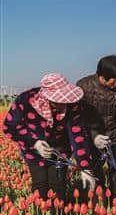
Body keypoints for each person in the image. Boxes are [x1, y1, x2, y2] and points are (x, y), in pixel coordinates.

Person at [2, 73, 96, 201]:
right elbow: (10, 126)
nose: (65, 104)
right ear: (48, 97)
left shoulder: (73, 106)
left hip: (60, 152)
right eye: (60, 101)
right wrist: (34, 143)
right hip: (33, 153)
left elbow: (78, 136)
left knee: (58, 186)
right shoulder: (25, 101)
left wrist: (85, 168)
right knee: (40, 185)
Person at [77, 55, 116, 198]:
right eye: (115, 78)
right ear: (102, 77)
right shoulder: (84, 86)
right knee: (95, 178)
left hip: (114, 138)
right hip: (92, 139)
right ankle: (96, 209)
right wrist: (93, 135)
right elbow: (79, 117)